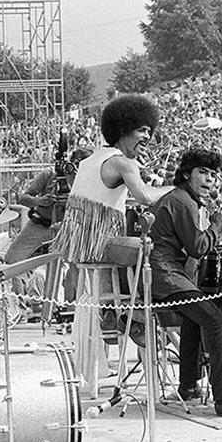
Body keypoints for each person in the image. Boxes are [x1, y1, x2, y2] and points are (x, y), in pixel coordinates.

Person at [51, 94, 174, 381]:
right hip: (100, 245)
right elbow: (144, 197)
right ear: (124, 129)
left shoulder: (91, 159)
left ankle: (116, 313)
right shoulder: (122, 164)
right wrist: (175, 188)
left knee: (136, 249)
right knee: (151, 249)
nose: (148, 136)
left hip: (80, 247)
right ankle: (139, 317)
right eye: (142, 130)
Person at [149, 147, 222, 419]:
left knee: (194, 319)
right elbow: (198, 247)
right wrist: (216, 226)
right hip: (167, 277)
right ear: (187, 173)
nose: (209, 179)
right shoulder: (181, 202)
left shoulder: (181, 199)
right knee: (217, 322)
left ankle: (188, 385)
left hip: (168, 275)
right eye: (203, 172)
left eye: (213, 174)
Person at [4, 147, 93, 319]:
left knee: (75, 265)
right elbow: (23, 198)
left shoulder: (89, 180)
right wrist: (39, 201)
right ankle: (18, 309)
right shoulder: (49, 174)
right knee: (11, 262)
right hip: (40, 224)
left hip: (68, 227)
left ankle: (69, 310)